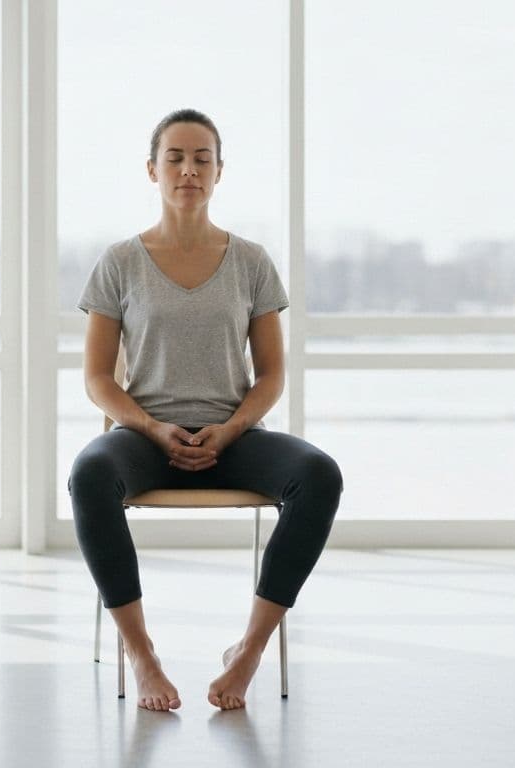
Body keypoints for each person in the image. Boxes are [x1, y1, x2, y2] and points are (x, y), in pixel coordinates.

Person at [68, 108, 343, 712]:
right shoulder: (119, 262)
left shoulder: (251, 261)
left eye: (202, 159)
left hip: (234, 436)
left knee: (319, 474)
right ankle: (142, 654)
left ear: (219, 172)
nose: (188, 170)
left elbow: (271, 375)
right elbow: (96, 377)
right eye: (175, 157)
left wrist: (232, 428)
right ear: (152, 169)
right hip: (145, 438)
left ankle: (247, 652)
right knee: (89, 473)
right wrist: (149, 425)